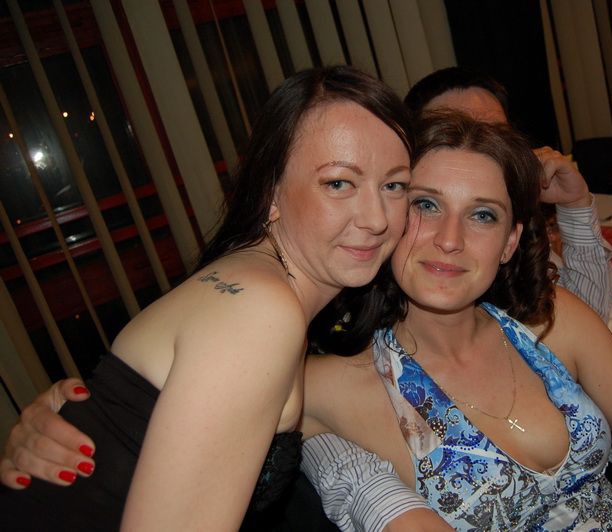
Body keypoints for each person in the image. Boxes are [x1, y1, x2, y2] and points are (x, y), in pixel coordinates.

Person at [298, 112, 612, 530]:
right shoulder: (336, 386)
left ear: (509, 242)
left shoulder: (553, 324)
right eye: (425, 205)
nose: (450, 239)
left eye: (482, 215)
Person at [0, 65, 414, 530]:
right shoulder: (259, 309)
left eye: (394, 185)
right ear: (271, 190)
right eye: (338, 183)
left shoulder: (258, 286)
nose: (377, 218)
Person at [404, 66, 612, 321]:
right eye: (449, 132)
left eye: (494, 135)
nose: (473, 145)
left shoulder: (504, 228)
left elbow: (584, 323)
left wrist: (574, 205)